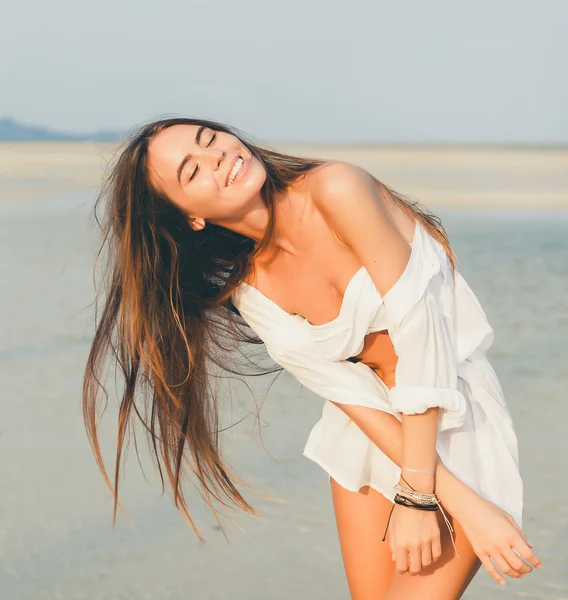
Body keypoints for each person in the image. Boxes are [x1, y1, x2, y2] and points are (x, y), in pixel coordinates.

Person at [83, 117, 542, 600]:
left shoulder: (336, 188)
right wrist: (431, 495)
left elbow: (421, 332)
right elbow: (350, 396)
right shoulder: (250, 291)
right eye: (192, 171)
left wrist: (426, 494)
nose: (216, 157)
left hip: (452, 421)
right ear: (190, 218)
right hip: (374, 439)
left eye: (210, 138)